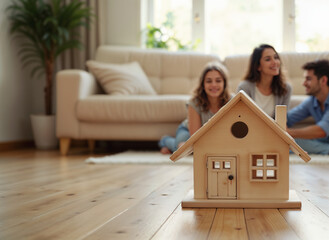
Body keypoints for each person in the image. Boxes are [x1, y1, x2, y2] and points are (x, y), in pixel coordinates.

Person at [159, 62, 231, 154]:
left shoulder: (232, 100)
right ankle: (165, 140)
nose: (214, 85)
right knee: (184, 150)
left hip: (213, 137)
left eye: (218, 81)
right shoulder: (194, 102)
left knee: (196, 150)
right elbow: (195, 139)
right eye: (209, 81)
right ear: (203, 84)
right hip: (188, 131)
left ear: (224, 83)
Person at [237, 44, 292, 118]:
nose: (275, 62)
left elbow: (282, 120)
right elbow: (242, 118)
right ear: (258, 66)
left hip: (273, 129)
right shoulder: (244, 88)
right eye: (268, 59)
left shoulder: (286, 88)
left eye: (276, 57)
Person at [287, 59, 329, 155]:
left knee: (292, 143)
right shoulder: (312, 101)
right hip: (322, 143)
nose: (303, 83)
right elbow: (288, 117)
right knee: (292, 143)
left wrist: (288, 132)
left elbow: (321, 131)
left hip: (322, 141)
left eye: (308, 79)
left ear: (323, 80)